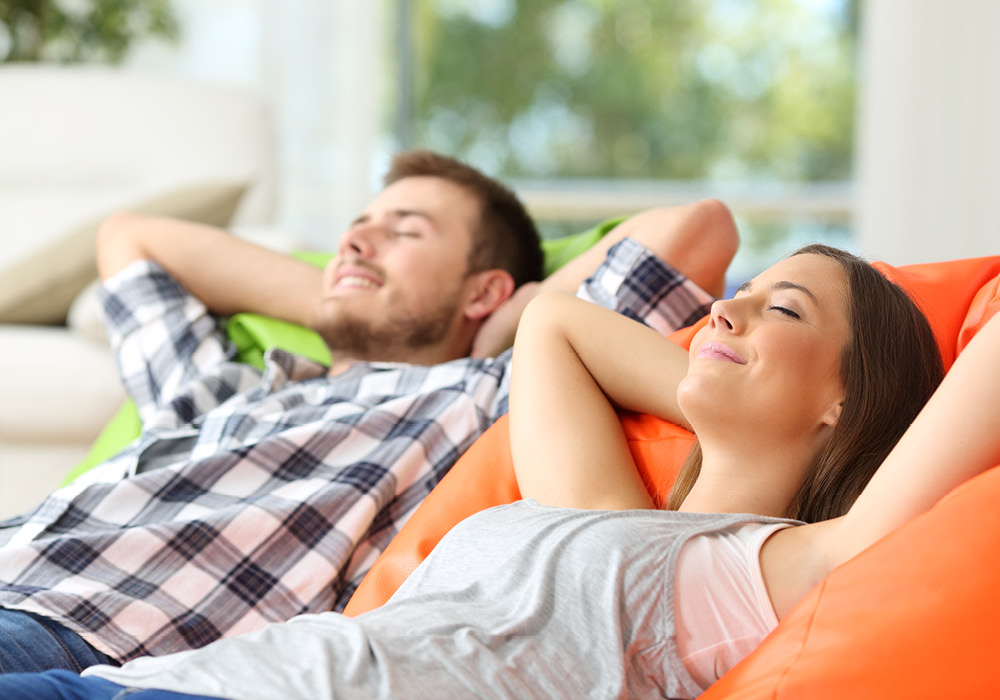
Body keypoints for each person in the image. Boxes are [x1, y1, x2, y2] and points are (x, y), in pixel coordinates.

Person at [2, 242, 997, 700]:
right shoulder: (605, 510)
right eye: (745, 294)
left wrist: (775, 410)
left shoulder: (770, 572)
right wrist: (729, 381)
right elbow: (554, 326)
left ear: (847, 401)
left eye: (782, 310)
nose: (723, 309)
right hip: (158, 680)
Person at [0, 149, 739, 675]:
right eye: (358, 228)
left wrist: (512, 316)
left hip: (83, 631)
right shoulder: (220, 391)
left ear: (484, 290)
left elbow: (697, 229)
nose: (355, 240)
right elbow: (130, 240)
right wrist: (340, 294)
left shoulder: (480, 395)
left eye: (406, 231)